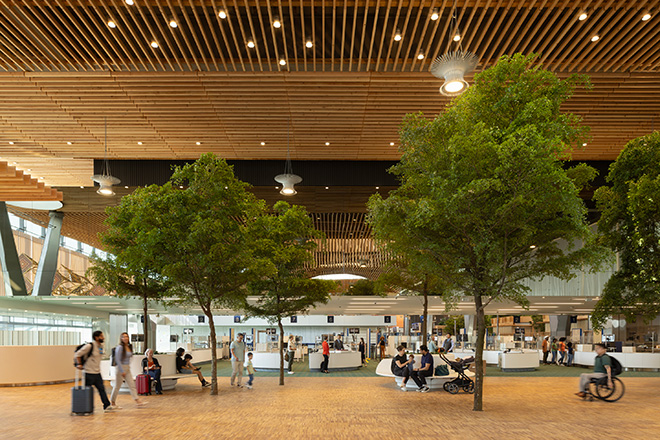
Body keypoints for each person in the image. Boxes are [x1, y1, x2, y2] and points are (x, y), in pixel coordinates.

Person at [74, 330, 113, 412]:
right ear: (96, 337)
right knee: (88, 391)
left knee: (102, 389)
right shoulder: (89, 346)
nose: (103, 337)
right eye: (101, 336)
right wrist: (79, 364)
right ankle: (85, 406)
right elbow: (78, 354)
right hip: (88, 373)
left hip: (97, 373)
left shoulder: (101, 346)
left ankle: (107, 405)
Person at [110, 332, 146, 408]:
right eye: (123, 337)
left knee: (131, 384)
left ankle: (137, 400)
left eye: (127, 337)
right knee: (117, 386)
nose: (125, 338)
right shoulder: (119, 347)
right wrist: (122, 370)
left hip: (127, 367)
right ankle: (112, 402)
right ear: (121, 338)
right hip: (120, 368)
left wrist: (127, 367)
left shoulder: (129, 346)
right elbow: (118, 360)